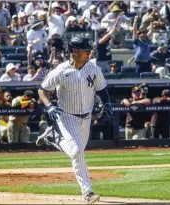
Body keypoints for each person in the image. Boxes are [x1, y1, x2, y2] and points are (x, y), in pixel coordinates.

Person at [35, 36, 114, 204]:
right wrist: (49, 105)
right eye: (86, 51)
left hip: (86, 117)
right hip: (66, 116)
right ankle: (88, 192)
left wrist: (107, 104)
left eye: (90, 51)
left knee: (77, 152)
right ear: (74, 51)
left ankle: (52, 137)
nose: (89, 54)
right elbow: (42, 90)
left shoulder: (93, 68)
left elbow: (102, 88)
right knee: (77, 152)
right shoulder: (60, 70)